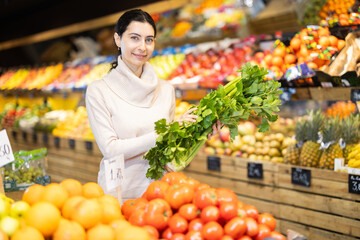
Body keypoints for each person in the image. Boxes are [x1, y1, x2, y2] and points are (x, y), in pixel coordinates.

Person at [86, 9, 220, 202]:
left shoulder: (166, 90)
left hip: (161, 195)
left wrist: (199, 135)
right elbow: (111, 150)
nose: (142, 47)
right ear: (118, 39)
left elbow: (168, 153)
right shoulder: (99, 91)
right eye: (134, 38)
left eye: (149, 40)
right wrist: (166, 133)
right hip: (119, 195)